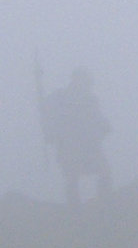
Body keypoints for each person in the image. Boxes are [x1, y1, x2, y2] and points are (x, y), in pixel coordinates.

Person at [41, 66, 113, 206]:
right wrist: (50, 131)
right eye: (85, 81)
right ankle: (75, 211)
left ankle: (105, 203)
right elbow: (47, 112)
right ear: (76, 80)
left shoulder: (91, 99)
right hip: (69, 145)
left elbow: (97, 118)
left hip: (90, 146)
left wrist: (105, 126)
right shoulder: (60, 97)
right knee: (72, 178)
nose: (87, 85)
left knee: (104, 172)